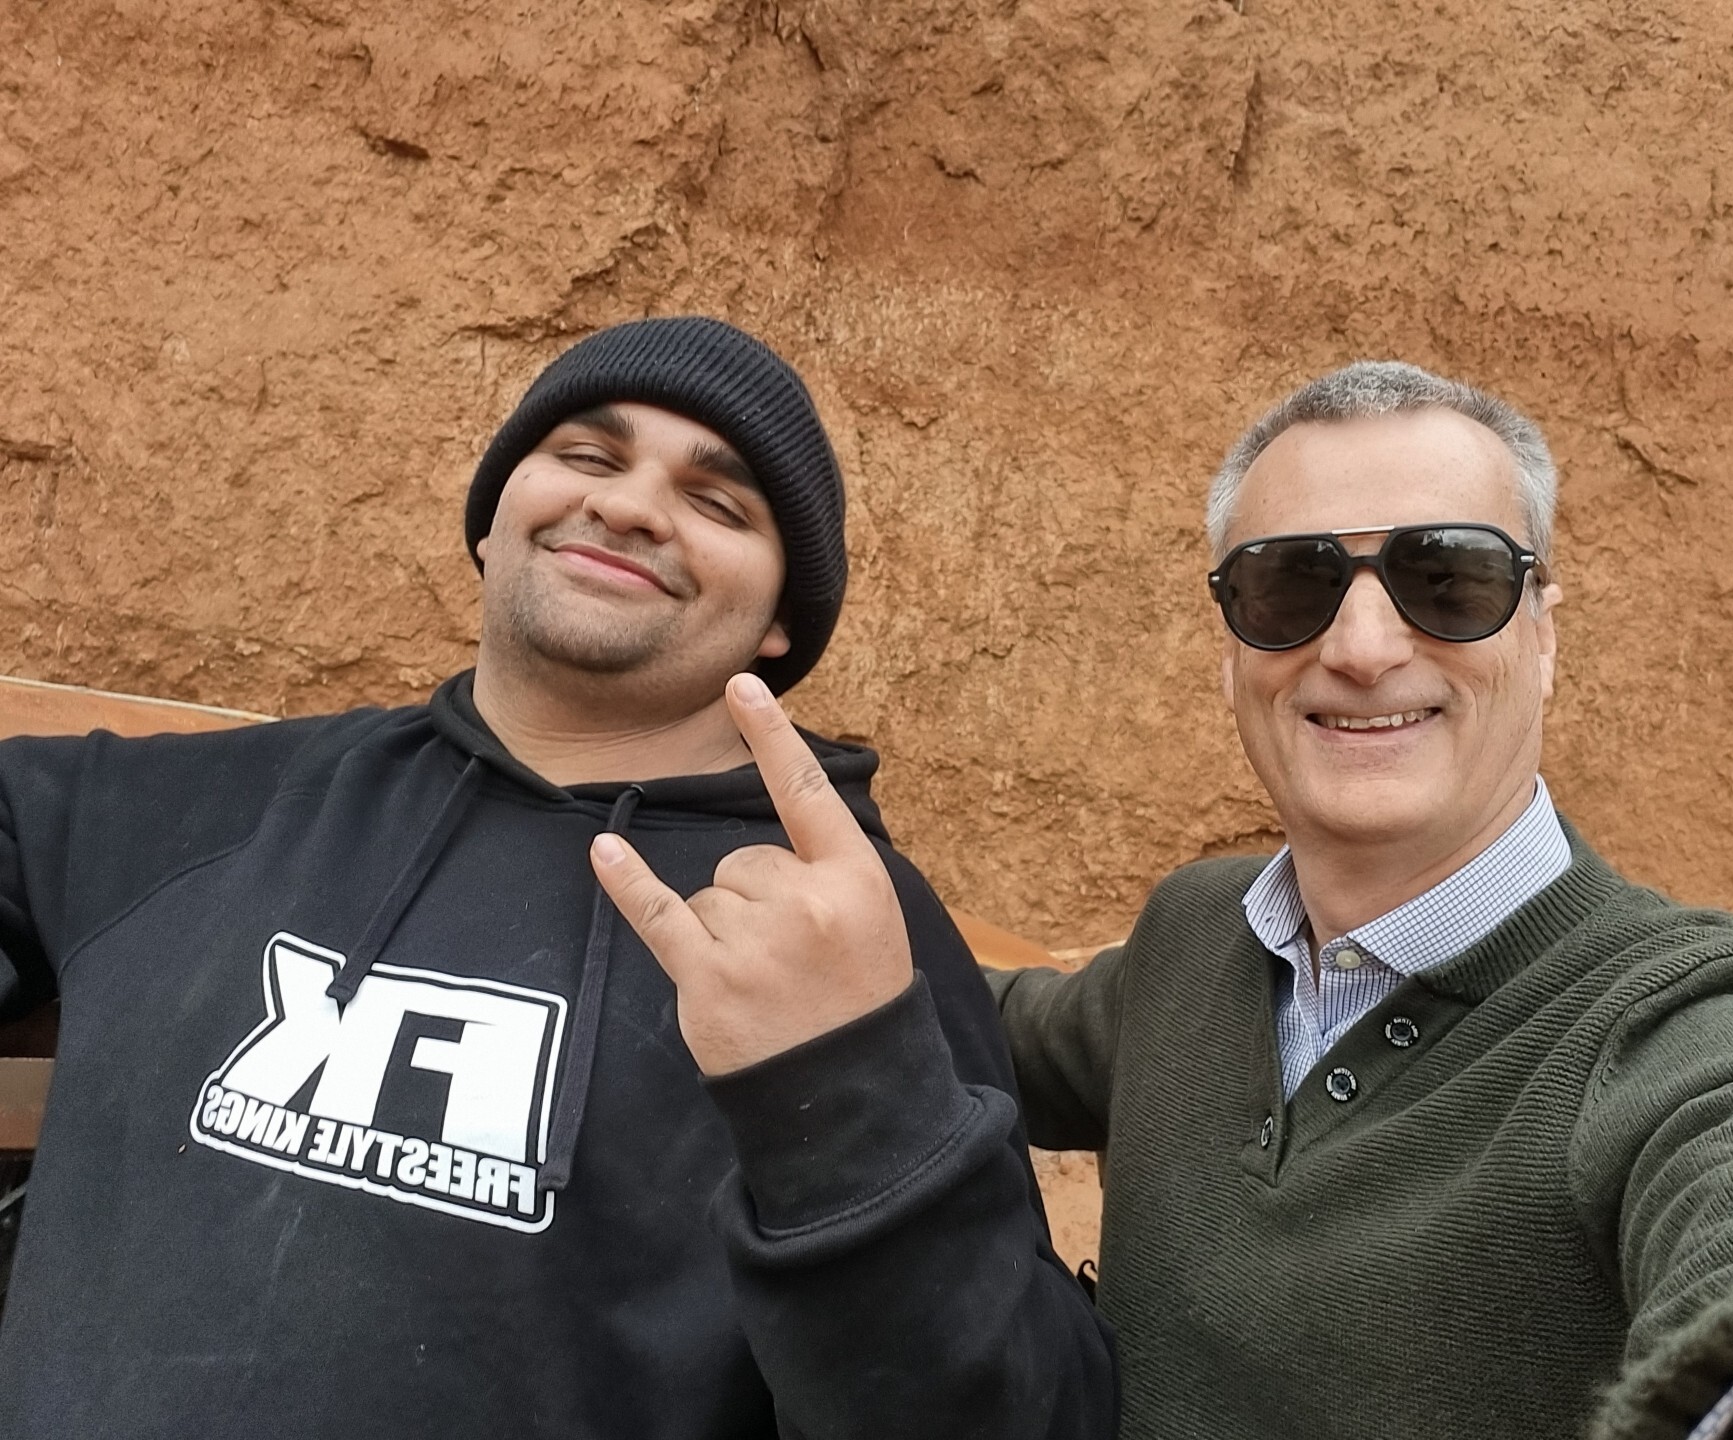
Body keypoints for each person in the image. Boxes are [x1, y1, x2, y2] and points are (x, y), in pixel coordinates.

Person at [0, 316, 1117, 1439]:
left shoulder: (841, 927)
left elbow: (1011, 1416)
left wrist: (851, 1099)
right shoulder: (198, 810)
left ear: (781, 621)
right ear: (495, 516)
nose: (630, 506)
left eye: (719, 504)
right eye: (587, 456)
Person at [985, 361, 1733, 1440]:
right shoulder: (1193, 937)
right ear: (1230, 650)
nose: (1362, 649)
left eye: (1451, 581)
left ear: (1545, 634)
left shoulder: (1706, 1027)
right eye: (1291, 587)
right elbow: (976, 1024)